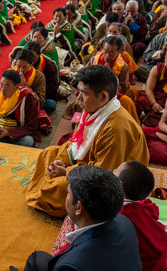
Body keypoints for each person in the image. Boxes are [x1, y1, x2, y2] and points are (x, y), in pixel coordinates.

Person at [0, 165, 141, 271]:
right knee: (37, 259)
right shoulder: (123, 222)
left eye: (68, 193)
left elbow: (79, 268)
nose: (65, 197)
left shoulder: (75, 268)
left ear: (79, 207)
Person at [25, 65, 149, 217]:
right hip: (87, 162)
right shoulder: (94, 108)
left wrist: (66, 171)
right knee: (48, 154)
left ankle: (49, 194)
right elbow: (76, 140)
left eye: (83, 93)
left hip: (110, 178)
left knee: (57, 187)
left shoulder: (116, 128)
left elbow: (103, 172)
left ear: (103, 96)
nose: (77, 98)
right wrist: (63, 161)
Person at [114, 161, 167, 271]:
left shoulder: (119, 217)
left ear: (120, 185)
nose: (112, 170)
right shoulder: (144, 205)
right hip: (156, 270)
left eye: (115, 170)